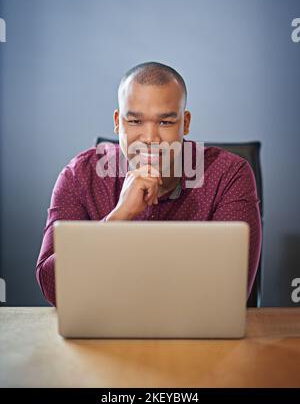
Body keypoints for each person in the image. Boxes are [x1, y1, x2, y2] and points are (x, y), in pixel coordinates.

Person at [36, 61, 262, 306]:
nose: (150, 138)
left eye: (165, 122)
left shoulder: (229, 175)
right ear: (117, 121)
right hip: (101, 334)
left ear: (185, 123)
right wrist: (119, 217)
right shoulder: (79, 175)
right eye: (134, 121)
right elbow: (52, 286)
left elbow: (231, 291)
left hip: (197, 337)